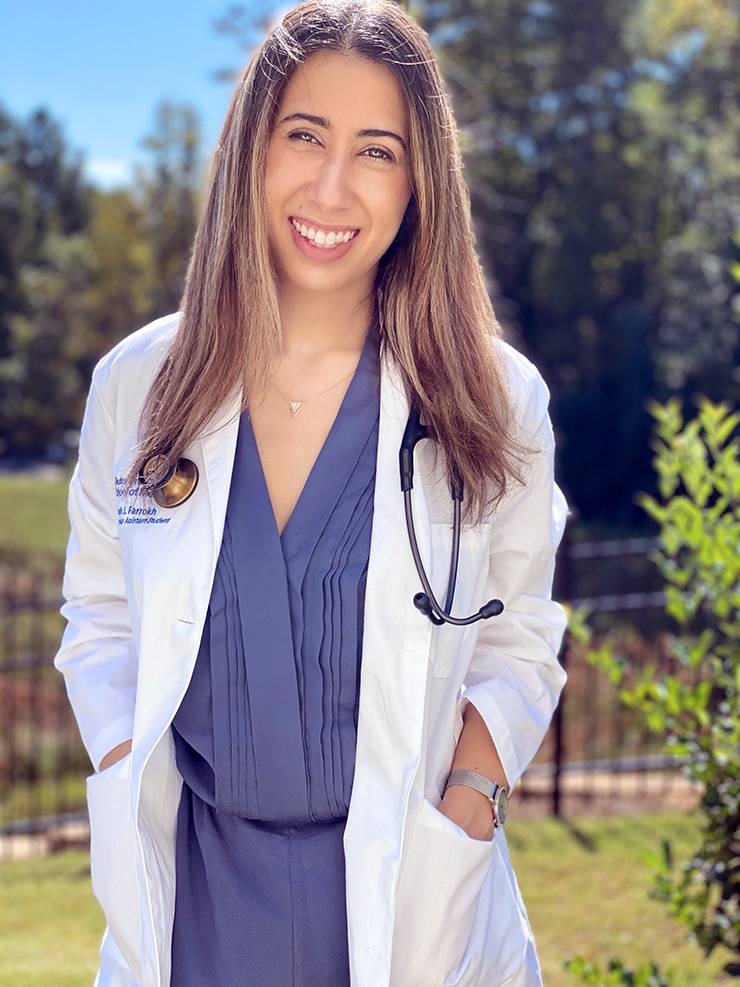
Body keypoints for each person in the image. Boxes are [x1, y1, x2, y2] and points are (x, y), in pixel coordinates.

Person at [53, 1, 570, 985]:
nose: (331, 187)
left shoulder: (492, 397)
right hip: (195, 900)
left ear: (420, 183)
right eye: (304, 136)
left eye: (377, 151)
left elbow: (519, 634)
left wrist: (469, 800)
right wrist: (124, 762)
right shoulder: (138, 385)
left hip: (408, 892)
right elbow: (103, 612)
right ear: (252, 147)